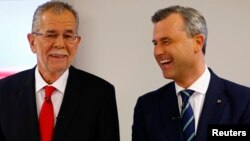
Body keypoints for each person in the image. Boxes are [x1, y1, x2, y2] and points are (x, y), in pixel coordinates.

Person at [0, 1, 120, 141]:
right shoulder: (4, 92)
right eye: (51, 35)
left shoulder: (101, 94)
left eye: (68, 36)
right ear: (32, 42)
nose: (60, 44)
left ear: (77, 42)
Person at [132, 5, 250, 141]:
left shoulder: (244, 101)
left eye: (166, 41)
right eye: (155, 43)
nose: (157, 51)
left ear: (198, 42)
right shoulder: (147, 107)